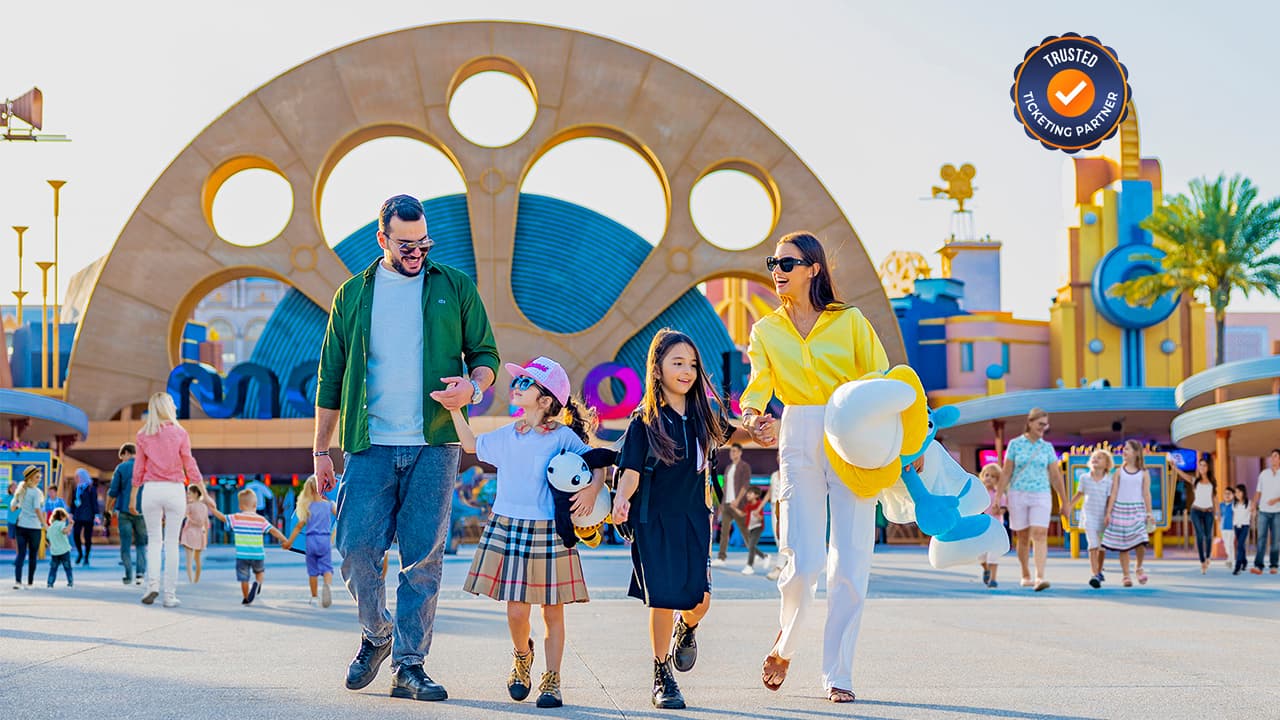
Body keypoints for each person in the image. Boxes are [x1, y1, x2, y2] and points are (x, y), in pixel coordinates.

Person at [314, 194, 499, 703]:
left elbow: (486, 353)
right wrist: (320, 451)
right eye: (406, 244)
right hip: (368, 445)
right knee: (353, 550)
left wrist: (473, 386)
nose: (417, 252)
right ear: (382, 239)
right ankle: (377, 634)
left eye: (424, 242)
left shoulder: (454, 286)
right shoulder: (351, 296)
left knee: (423, 560)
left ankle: (410, 666)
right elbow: (330, 378)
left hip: (435, 445)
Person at [740, 231, 890, 704]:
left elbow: (880, 380)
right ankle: (785, 645)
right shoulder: (765, 330)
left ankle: (838, 673)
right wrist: (752, 418)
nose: (777, 270)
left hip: (852, 433)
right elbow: (758, 387)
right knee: (803, 562)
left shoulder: (851, 322)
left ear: (814, 268)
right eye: (773, 263)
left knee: (850, 562)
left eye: (787, 262)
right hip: (799, 432)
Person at [452, 356, 601, 709]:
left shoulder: (563, 436)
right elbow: (471, 445)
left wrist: (593, 490)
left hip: (550, 529)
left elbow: (595, 462)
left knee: (553, 610)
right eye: (517, 381)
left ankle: (552, 679)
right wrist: (455, 410)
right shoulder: (509, 433)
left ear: (546, 400)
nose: (515, 387)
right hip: (509, 525)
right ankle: (522, 656)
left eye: (525, 383)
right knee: (517, 611)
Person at [612, 328, 735, 710]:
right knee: (662, 600)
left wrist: (759, 427)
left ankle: (689, 627)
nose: (687, 371)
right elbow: (630, 471)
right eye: (677, 363)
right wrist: (620, 499)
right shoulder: (643, 421)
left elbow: (734, 433)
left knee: (699, 601)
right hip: (654, 521)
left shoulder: (703, 417)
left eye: (692, 364)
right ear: (657, 368)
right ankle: (661, 674)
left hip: (694, 519)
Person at [132, 391, 203, 608]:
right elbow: (189, 463)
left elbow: (139, 469)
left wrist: (133, 496)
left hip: (151, 490)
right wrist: (202, 490)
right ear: (168, 408)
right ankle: (169, 595)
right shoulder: (180, 433)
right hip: (174, 490)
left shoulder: (143, 434)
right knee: (171, 544)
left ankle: (151, 585)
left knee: (154, 541)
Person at [997, 408, 1066, 592]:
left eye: (1046, 425)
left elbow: (1055, 476)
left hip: (1041, 494)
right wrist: (998, 497)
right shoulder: (1015, 444)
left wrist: (1064, 501)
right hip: (1018, 493)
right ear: (1030, 422)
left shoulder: (1047, 448)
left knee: (1040, 533)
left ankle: (1040, 576)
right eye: (1040, 424)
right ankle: (1025, 573)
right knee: (1023, 537)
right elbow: (1006, 472)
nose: (1043, 428)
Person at [207, 488, 288, 604]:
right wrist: (284, 539)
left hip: (242, 555)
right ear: (255, 505)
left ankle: (246, 598)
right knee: (260, 572)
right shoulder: (261, 519)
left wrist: (213, 509)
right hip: (258, 554)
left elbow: (222, 518)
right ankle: (257, 583)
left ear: (240, 506)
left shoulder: (236, 518)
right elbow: (273, 530)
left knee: (243, 578)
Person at [1101, 439, 1153, 587]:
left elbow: (1146, 493)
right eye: (1124, 449)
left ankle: (1139, 567)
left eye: (1128, 449)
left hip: (1137, 510)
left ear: (1136, 453)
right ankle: (1126, 575)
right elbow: (1114, 492)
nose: (1124, 451)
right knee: (1123, 545)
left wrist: (1149, 513)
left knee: (1141, 540)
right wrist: (1109, 512)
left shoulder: (1144, 473)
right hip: (1120, 510)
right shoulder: (1118, 472)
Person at [282, 476, 338, 608]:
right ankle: (327, 585)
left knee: (313, 571)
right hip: (324, 540)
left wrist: (289, 542)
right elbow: (340, 517)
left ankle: (314, 596)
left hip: (311, 541)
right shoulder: (329, 505)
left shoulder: (306, 508)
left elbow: (298, 527)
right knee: (327, 568)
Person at [1069, 449, 1113, 589]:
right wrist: (1069, 506)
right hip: (1089, 515)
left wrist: (1108, 514)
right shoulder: (1084, 478)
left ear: (1106, 464)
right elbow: (1079, 494)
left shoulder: (1108, 481)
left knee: (1101, 546)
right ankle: (1094, 574)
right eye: (1094, 457)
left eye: (1099, 458)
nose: (1095, 459)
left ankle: (1099, 571)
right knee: (1092, 545)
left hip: (1103, 516)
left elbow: (1109, 499)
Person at [106, 443, 146, 585]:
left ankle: (128, 575)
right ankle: (140, 574)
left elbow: (113, 492)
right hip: (142, 512)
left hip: (124, 511)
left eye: (122, 457)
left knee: (126, 544)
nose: (122, 460)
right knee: (141, 544)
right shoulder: (145, 466)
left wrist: (108, 509)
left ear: (127, 453)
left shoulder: (121, 468)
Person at [1176, 456, 1217, 574]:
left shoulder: (1212, 482)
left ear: (1208, 468)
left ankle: (1208, 556)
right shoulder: (1195, 481)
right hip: (1196, 511)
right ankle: (1202, 561)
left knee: (1208, 536)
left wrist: (1218, 512)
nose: (1202, 467)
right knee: (1199, 535)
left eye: (1204, 465)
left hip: (1209, 511)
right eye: (1200, 465)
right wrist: (1176, 468)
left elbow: (1215, 497)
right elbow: (1184, 476)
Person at [714, 443, 752, 566]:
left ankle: (754, 553)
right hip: (727, 504)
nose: (732, 453)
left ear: (740, 452)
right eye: (731, 451)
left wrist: (737, 500)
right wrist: (722, 504)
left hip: (738, 504)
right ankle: (721, 557)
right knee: (724, 531)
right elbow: (725, 487)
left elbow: (745, 485)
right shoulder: (728, 468)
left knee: (744, 530)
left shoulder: (744, 467)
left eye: (735, 451)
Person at [10, 466, 47, 588]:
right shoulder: (36, 493)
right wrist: (44, 524)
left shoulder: (21, 490)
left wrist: (22, 505)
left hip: (21, 526)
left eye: (39, 477)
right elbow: (37, 509)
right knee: (32, 555)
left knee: (21, 554)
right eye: (37, 477)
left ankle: (18, 581)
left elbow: (13, 507)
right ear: (30, 478)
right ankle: (30, 583)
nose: (39, 480)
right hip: (34, 528)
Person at [1250, 449, 1280, 574]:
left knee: (1276, 539)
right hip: (1263, 511)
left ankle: (1274, 565)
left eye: (1276, 456)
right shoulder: (1264, 474)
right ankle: (1258, 566)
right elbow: (1258, 491)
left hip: (1277, 511)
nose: (1273, 458)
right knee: (1261, 538)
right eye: (1272, 456)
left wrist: (1276, 500)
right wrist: (1253, 504)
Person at [979, 463, 1005, 588]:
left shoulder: (999, 495)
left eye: (993, 476)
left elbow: (1003, 510)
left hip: (995, 528)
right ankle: (986, 569)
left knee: (993, 554)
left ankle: (993, 579)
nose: (989, 478)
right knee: (981, 555)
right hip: (981, 528)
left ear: (998, 480)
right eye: (987, 475)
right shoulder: (979, 494)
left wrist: (999, 510)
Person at [180, 484, 211, 584]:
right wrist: (205, 536)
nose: (187, 495)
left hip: (189, 533)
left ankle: (191, 581)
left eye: (189, 493)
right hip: (200, 534)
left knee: (189, 561)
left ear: (196, 494)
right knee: (198, 560)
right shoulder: (204, 507)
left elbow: (182, 516)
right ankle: (196, 581)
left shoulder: (189, 506)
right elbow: (206, 523)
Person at [737, 485, 771, 574]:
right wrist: (733, 509)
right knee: (750, 546)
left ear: (756, 495)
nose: (747, 495)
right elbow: (742, 514)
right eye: (747, 494)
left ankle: (749, 566)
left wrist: (758, 515)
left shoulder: (759, 504)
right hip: (750, 528)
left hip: (758, 527)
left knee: (751, 545)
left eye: (750, 493)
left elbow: (761, 518)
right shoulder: (748, 506)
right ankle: (764, 556)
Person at [71, 468, 100, 566]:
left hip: (88, 516)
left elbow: (94, 503)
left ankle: (86, 557)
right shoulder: (76, 489)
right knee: (76, 534)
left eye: (77, 477)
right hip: (78, 516)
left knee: (87, 537)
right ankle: (80, 553)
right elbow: (72, 502)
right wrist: (71, 513)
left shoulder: (91, 488)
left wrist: (96, 514)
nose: (76, 479)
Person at [46, 507, 74, 588]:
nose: (65, 520)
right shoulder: (61, 524)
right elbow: (65, 531)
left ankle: (50, 583)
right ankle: (70, 582)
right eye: (65, 518)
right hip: (64, 551)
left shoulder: (50, 527)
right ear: (62, 517)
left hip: (54, 552)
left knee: (53, 568)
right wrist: (70, 524)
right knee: (67, 568)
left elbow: (48, 539)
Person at [1232, 484, 1252, 575]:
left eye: (1239, 492)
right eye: (1236, 492)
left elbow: (1252, 512)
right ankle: (1244, 561)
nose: (1237, 494)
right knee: (1241, 546)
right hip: (1236, 526)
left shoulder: (1249, 503)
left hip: (1245, 526)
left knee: (1240, 545)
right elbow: (1234, 515)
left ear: (1243, 492)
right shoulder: (1234, 503)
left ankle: (1237, 567)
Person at [1220, 485, 1236, 570]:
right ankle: (1230, 557)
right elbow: (1219, 515)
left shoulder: (1234, 505)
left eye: (1229, 494)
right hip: (1223, 527)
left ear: (1233, 495)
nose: (1227, 495)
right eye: (1225, 493)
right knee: (1226, 545)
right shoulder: (1221, 505)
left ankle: (1230, 560)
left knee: (1230, 544)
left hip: (1231, 528)